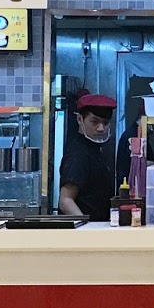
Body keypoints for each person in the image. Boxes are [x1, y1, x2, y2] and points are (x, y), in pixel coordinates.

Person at [58, 93, 117, 221]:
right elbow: (65, 200)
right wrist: (85, 227)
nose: (101, 128)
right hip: (86, 228)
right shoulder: (78, 154)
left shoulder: (95, 149)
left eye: (105, 123)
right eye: (94, 122)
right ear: (80, 119)